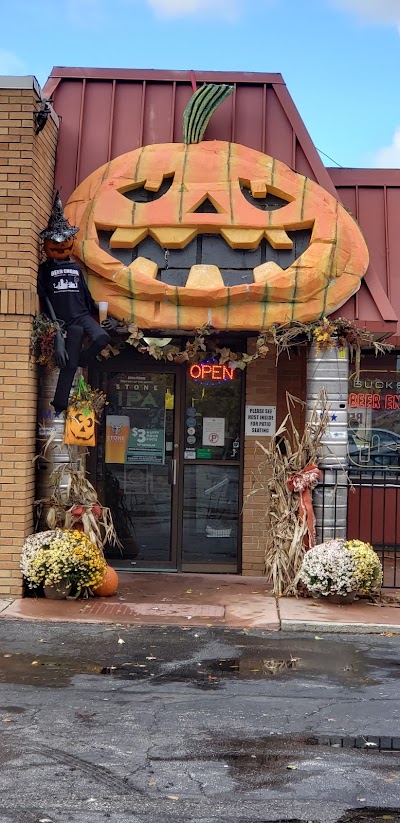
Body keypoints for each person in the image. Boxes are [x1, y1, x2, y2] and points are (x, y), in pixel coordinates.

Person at [37, 192, 117, 413]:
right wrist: (56, 329)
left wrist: (110, 320)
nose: (60, 246)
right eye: (54, 242)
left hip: (82, 315)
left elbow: (86, 297)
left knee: (102, 336)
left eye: (65, 241)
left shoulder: (75, 269)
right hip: (64, 321)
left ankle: (83, 358)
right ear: (47, 243)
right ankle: (59, 404)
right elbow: (45, 299)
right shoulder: (45, 270)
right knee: (68, 365)